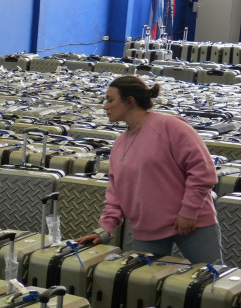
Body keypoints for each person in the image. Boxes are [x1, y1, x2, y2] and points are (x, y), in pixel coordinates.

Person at [75, 75, 223, 264]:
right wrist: (104, 230)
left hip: (192, 224)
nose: (105, 106)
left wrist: (189, 212)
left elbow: (203, 171)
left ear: (130, 101)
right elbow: (116, 193)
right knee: (147, 288)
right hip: (148, 230)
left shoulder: (171, 126)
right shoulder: (120, 144)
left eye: (111, 100)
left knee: (211, 283)